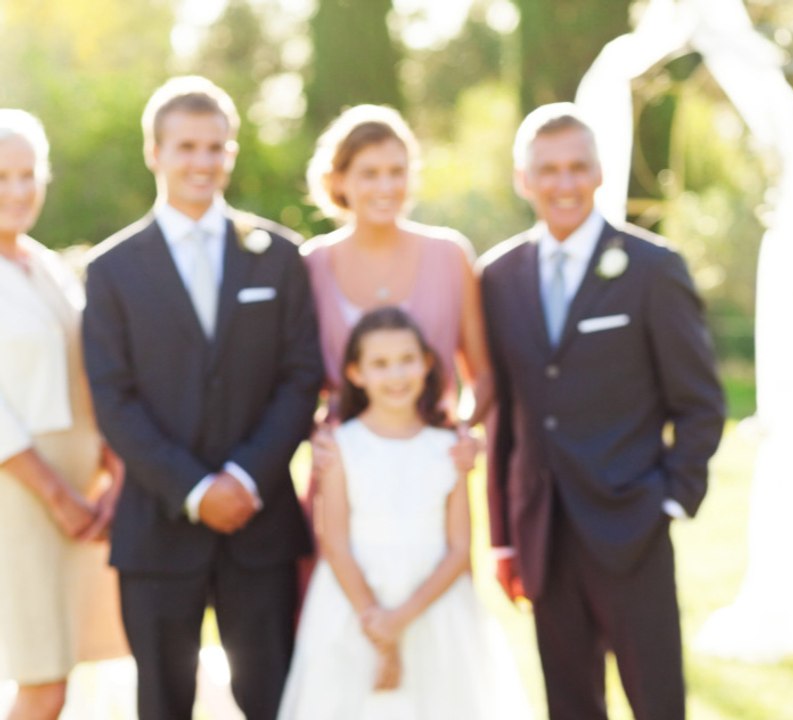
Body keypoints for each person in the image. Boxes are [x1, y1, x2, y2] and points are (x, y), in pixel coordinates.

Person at [81, 77, 323, 720]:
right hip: (158, 529)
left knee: (275, 702)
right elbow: (114, 400)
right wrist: (194, 489)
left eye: (216, 147)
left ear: (231, 153)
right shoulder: (111, 271)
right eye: (186, 146)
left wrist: (245, 478)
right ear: (154, 153)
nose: (202, 162)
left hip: (260, 524)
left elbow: (302, 377)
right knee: (162, 706)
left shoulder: (278, 257)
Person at [478, 103, 725, 720]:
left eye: (577, 167)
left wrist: (670, 497)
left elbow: (699, 403)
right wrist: (506, 539)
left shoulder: (652, 268)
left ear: (599, 173)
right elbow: (504, 418)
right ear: (523, 179)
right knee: (568, 705)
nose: (564, 183)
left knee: (658, 703)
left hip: (633, 525)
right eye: (548, 169)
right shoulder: (498, 276)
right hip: (545, 534)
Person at [277, 307, 530, 719]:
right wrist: (378, 625)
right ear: (355, 374)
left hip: (435, 605)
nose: (396, 376)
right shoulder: (340, 447)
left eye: (406, 361)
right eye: (379, 364)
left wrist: (402, 619)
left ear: (427, 365)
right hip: (354, 605)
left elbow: (460, 546)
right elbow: (335, 543)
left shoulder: (448, 448)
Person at [0, 109, 127, 720]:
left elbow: (85, 374)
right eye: (0, 176)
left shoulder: (45, 263)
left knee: (65, 675)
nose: (18, 191)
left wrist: (110, 471)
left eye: (28, 175)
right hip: (21, 502)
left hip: (78, 499)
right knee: (41, 680)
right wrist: (55, 494)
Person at [302, 104, 492, 423]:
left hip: (435, 461)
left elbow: (482, 376)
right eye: (370, 174)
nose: (386, 187)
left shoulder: (450, 255)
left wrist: (459, 431)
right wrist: (315, 435)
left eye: (396, 172)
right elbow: (291, 387)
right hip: (342, 462)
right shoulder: (312, 265)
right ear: (337, 181)